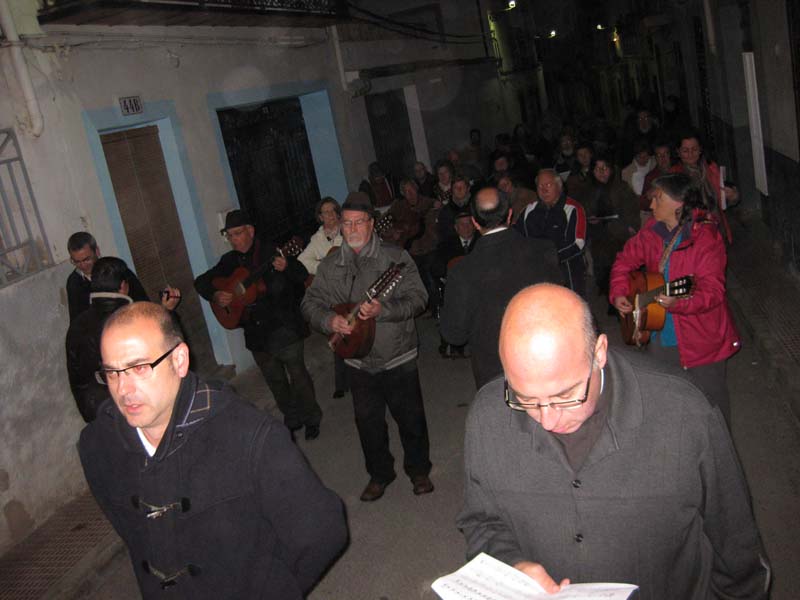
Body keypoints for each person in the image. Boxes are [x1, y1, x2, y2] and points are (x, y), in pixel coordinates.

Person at [457, 284, 770, 599]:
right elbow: (482, 523)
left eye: (565, 396)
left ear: (599, 353)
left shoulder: (685, 413)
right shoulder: (487, 417)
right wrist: (513, 565)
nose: (547, 420)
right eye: (525, 399)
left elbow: (738, 549)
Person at [78, 302, 347, 598]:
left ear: (179, 360)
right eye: (112, 373)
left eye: (139, 368)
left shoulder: (250, 437)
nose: (124, 390)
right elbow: (133, 535)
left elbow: (324, 532)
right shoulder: (98, 445)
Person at [301, 192, 433, 502]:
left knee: (410, 419)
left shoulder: (395, 257)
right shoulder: (331, 264)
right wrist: (330, 320)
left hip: (397, 354)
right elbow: (310, 303)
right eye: (347, 223)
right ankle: (380, 474)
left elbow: (419, 298)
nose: (353, 229)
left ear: (372, 224)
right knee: (368, 424)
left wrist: (383, 310)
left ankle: (418, 470)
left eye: (359, 222)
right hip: (357, 361)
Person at [610, 173, 740, 424]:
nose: (651, 205)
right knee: (669, 406)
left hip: (701, 340)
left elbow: (713, 292)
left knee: (712, 409)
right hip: (660, 335)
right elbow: (623, 261)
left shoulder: (705, 237)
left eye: (658, 199)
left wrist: (680, 304)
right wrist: (618, 293)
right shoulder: (652, 231)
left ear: (679, 202)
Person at [194, 210, 322, 440]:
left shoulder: (273, 252)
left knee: (299, 376)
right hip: (256, 332)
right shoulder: (229, 261)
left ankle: (312, 417)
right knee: (275, 380)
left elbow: (302, 274)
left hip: (284, 326)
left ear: (250, 231)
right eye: (229, 235)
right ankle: (291, 418)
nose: (233, 239)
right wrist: (215, 294)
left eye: (237, 233)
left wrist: (287, 267)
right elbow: (201, 282)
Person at [440, 187, 561, 389]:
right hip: (547, 359)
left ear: (475, 223)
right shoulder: (543, 250)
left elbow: (454, 334)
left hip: (496, 374)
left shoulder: (461, 271)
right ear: (510, 215)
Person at [66, 257, 181, 423]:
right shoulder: (129, 319)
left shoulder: (77, 324)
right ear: (123, 286)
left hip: (96, 412)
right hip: (130, 409)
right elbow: (167, 351)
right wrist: (167, 312)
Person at [297, 197, 348, 399]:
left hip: (348, 286)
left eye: (332, 211)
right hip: (330, 292)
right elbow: (302, 260)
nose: (330, 215)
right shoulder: (317, 239)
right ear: (320, 217)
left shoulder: (347, 230)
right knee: (336, 332)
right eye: (325, 212)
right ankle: (341, 381)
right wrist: (323, 267)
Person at [515, 169, 587, 297]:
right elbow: (517, 237)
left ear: (559, 186)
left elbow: (578, 243)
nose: (544, 190)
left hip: (565, 268)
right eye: (540, 186)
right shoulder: (529, 210)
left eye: (548, 185)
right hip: (535, 269)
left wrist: (550, 259)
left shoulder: (573, 208)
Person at [585, 156, 639, 299]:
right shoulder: (589, 190)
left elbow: (631, 212)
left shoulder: (622, 188)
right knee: (603, 271)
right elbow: (585, 210)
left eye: (605, 168)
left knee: (621, 271)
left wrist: (628, 227)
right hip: (599, 237)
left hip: (620, 236)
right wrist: (591, 218)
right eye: (597, 169)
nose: (601, 172)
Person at [65, 231, 149, 321]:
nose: (83, 266)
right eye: (76, 262)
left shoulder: (115, 269)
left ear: (97, 251)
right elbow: (77, 319)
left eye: (87, 259)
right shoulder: (74, 282)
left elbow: (142, 302)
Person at [671, 129, 736, 243]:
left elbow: (722, 198)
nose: (690, 154)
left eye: (694, 149)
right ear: (678, 152)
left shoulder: (711, 168)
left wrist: (732, 196)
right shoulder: (674, 175)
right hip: (692, 235)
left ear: (700, 149)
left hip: (716, 229)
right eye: (685, 150)